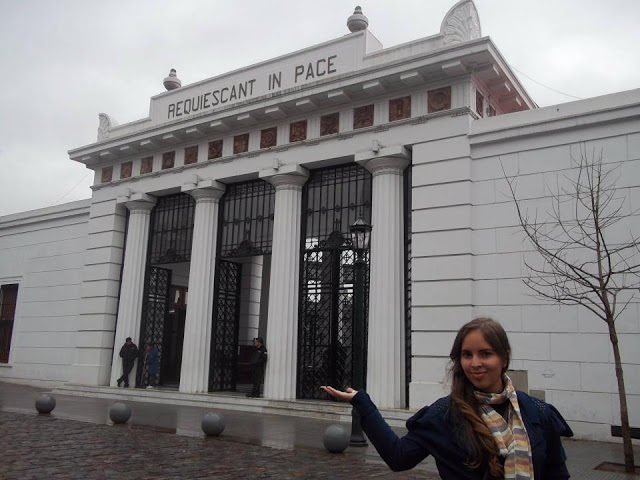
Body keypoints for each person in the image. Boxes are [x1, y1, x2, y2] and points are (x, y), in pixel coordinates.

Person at [322, 317, 573, 479]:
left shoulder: (537, 412)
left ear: (504, 358)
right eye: (467, 355)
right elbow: (399, 457)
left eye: (485, 354)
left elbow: (557, 474)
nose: (475, 364)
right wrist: (362, 402)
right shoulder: (443, 414)